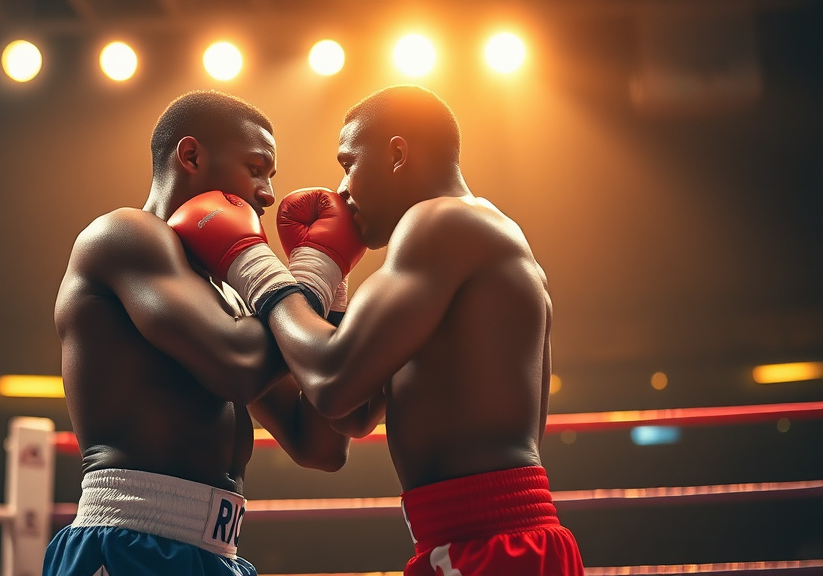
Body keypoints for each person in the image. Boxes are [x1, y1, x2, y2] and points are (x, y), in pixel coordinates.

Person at [178, 85, 585, 575]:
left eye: (349, 163)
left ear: (396, 153)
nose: (343, 188)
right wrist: (332, 280)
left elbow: (330, 382)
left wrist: (255, 266)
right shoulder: (468, 237)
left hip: (490, 542)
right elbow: (353, 413)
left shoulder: (440, 222)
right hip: (470, 538)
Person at [45, 90, 355, 576]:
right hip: (129, 541)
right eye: (256, 168)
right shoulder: (125, 235)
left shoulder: (231, 300)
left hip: (217, 555)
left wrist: (332, 293)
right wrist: (314, 272)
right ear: (190, 155)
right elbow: (239, 369)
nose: (268, 193)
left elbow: (319, 445)